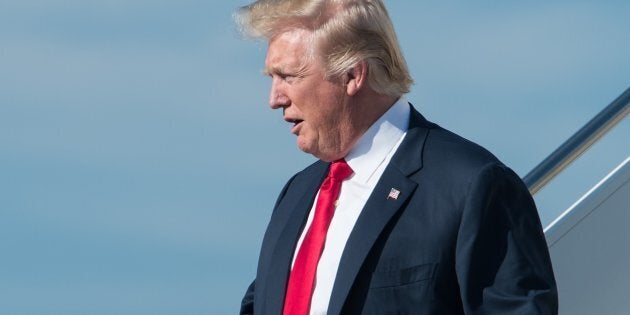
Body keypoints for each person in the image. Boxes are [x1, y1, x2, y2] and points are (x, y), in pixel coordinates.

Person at [235, 0, 558, 314]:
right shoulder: (299, 192)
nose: (274, 99)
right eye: (272, 78)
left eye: (289, 76)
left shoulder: (471, 184)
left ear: (352, 75)